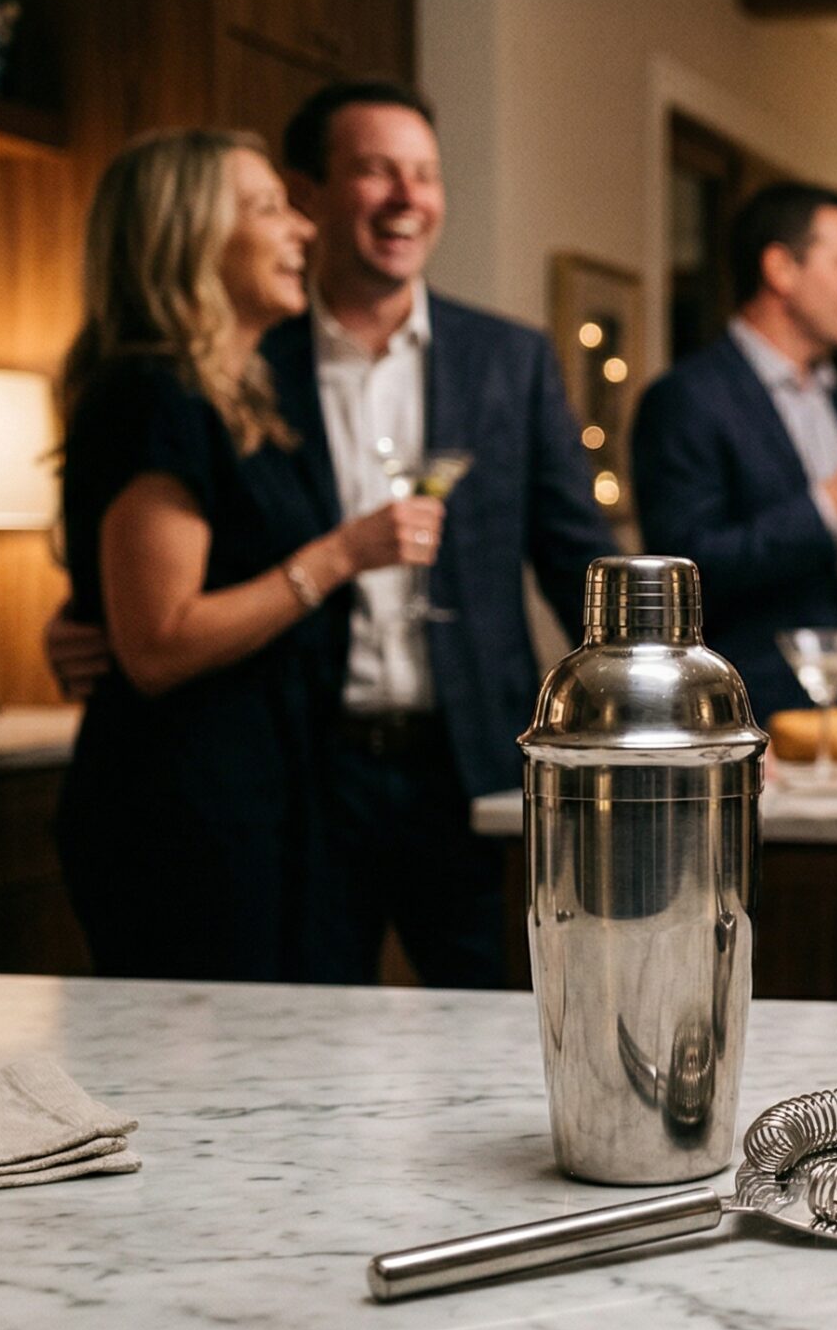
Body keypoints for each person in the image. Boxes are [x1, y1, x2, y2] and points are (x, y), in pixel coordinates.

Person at [50, 81, 619, 989]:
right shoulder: (238, 358)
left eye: (426, 174)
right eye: (376, 171)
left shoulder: (504, 358)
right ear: (310, 191)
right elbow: (167, 560)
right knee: (304, 1024)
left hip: (462, 762)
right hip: (302, 771)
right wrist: (94, 620)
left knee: (495, 1019)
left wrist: (663, 704)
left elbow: (576, 552)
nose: (408, 198)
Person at [54, 129, 442, 981]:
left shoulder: (245, 398)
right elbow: (157, 644)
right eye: (270, 207)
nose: (304, 230)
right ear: (187, 236)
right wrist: (341, 554)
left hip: (277, 794)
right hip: (185, 815)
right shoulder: (152, 398)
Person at [631, 181, 837, 722]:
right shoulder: (686, 399)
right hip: (753, 719)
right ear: (781, 269)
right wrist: (829, 504)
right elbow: (685, 572)